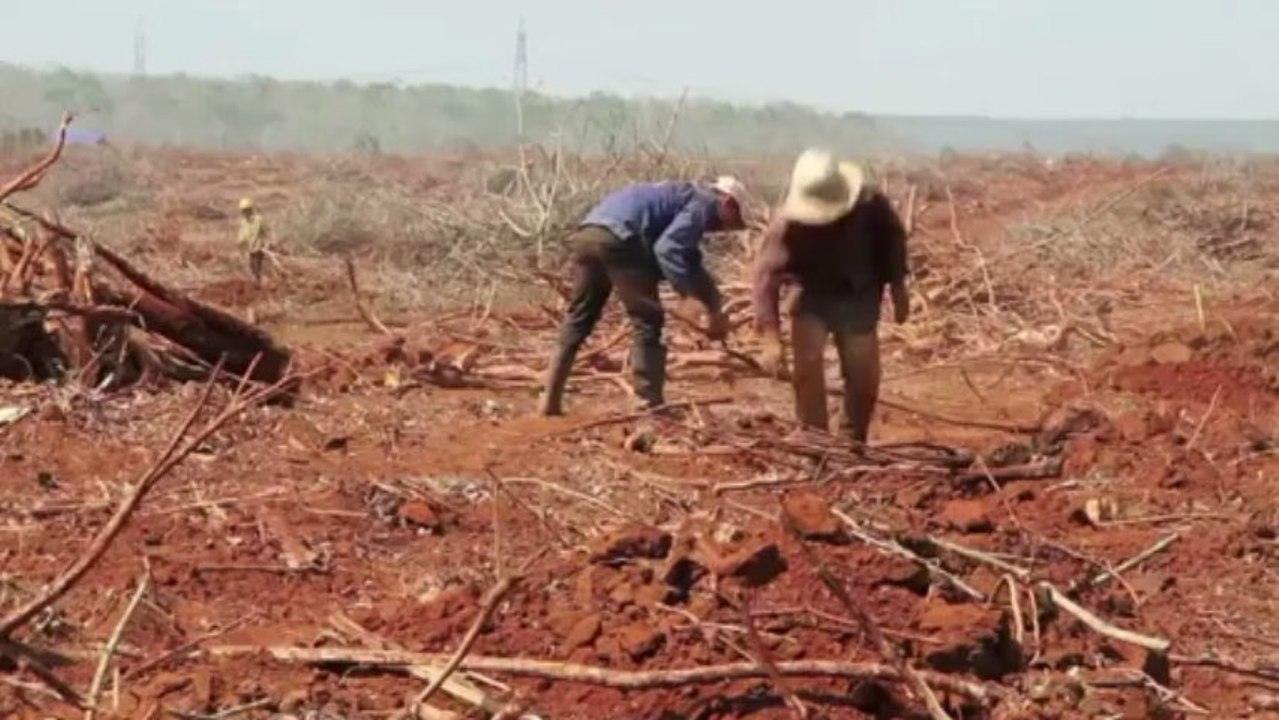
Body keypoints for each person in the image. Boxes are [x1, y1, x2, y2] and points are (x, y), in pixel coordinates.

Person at [540, 176, 749, 415]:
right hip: (622, 239)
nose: (723, 229)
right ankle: (648, 404)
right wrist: (686, 296)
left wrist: (714, 306)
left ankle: (549, 399)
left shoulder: (680, 196)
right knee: (648, 321)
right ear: (729, 203)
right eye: (733, 222)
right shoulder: (705, 202)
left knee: (579, 317)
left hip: (590, 233)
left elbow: (690, 261)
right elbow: (668, 249)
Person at [752, 148, 910, 443]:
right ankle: (815, 441)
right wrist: (770, 338)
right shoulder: (788, 224)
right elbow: (766, 277)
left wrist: (898, 286)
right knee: (808, 369)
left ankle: (852, 442)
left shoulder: (870, 204)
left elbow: (893, 240)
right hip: (811, 295)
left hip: (859, 293)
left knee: (862, 375)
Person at [236, 197, 270, 284]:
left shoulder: (259, 220)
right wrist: (240, 243)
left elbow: (266, 233)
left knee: (259, 266)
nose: (244, 213)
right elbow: (242, 235)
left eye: (246, 210)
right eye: (243, 211)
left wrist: (266, 245)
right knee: (252, 267)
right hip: (250, 249)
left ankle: (261, 282)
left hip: (259, 248)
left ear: (250, 209)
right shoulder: (244, 222)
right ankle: (256, 282)